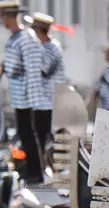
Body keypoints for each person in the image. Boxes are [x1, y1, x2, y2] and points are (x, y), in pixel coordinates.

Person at [0, 1, 45, 184]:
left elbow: (33, 69)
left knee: (28, 133)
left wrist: (34, 99)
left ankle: (35, 172)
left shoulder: (26, 38)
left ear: (9, 17)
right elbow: (8, 65)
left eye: (2, 16)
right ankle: (30, 169)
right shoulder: (13, 39)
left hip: (27, 95)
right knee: (23, 132)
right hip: (18, 95)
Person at [28, 12, 63, 151]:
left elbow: (45, 70)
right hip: (39, 101)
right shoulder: (42, 47)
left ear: (38, 30)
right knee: (39, 136)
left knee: (47, 137)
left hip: (49, 101)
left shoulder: (52, 48)